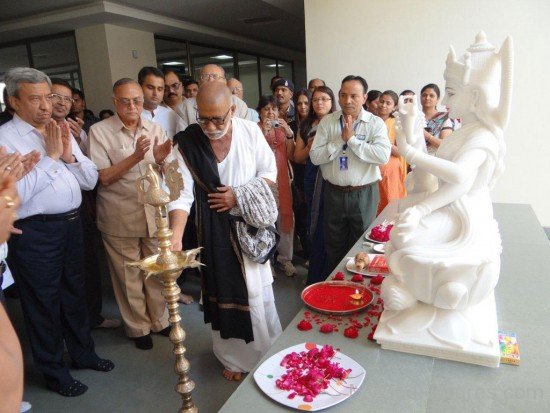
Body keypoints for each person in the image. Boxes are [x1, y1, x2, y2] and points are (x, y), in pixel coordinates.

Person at [0, 67, 113, 397]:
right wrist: (51, 158)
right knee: (43, 303)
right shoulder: (5, 140)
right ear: (13, 101)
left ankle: (83, 353)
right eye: (34, 98)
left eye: (48, 97)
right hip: (35, 232)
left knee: (74, 293)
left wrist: (67, 156)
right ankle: (53, 371)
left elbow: (90, 179)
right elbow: (16, 196)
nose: (45, 106)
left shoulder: (57, 129)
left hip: (72, 224)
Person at [168, 82, 282, 381]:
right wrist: (176, 235)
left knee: (257, 290)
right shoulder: (187, 143)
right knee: (224, 289)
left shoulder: (249, 131)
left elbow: (269, 173)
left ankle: (268, 348)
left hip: (249, 225)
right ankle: (234, 358)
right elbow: (180, 194)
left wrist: (238, 196)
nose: (210, 126)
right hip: (213, 229)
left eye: (218, 118)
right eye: (203, 118)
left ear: (232, 110)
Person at [88, 78, 172, 350]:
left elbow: (165, 173)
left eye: (137, 100)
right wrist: (136, 156)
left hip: (153, 214)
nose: (133, 106)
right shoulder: (100, 132)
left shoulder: (155, 128)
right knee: (129, 276)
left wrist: (159, 160)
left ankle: (160, 320)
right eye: (126, 101)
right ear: (115, 102)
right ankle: (138, 328)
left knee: (157, 270)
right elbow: (104, 177)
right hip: (119, 214)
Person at [50, 78, 120, 330]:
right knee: (54, 283)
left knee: (86, 269)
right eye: (55, 96)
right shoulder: (12, 135)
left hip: (78, 211)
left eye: (67, 98)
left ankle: (90, 319)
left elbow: (90, 179)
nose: (62, 103)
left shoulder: (69, 131)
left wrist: (72, 151)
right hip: (41, 223)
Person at [309, 75, 391, 273]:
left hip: (364, 194)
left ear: (364, 98)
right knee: (334, 246)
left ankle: (360, 291)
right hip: (333, 193)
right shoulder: (328, 122)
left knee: (363, 245)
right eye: (343, 95)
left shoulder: (375, 123)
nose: (347, 101)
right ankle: (337, 289)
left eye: (354, 96)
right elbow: (315, 157)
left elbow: (382, 156)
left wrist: (353, 141)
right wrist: (339, 141)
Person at [293, 86, 336, 284]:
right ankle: (316, 275)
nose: (319, 103)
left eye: (324, 99)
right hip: (312, 176)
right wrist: (311, 147)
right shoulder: (306, 125)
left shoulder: (339, 122)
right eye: (316, 99)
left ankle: (331, 273)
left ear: (331, 101)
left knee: (332, 225)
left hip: (333, 178)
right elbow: (297, 157)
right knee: (314, 223)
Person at [257, 95, 296, 277]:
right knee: (265, 221)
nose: (271, 112)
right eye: (266, 109)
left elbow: (291, 154)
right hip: (264, 183)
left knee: (286, 218)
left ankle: (285, 259)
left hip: (282, 180)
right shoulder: (254, 130)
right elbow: (254, 155)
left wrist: (288, 133)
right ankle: (268, 261)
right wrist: (263, 133)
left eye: (273, 109)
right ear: (259, 113)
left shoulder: (282, 129)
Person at [179, 64, 249, 128]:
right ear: (199, 82)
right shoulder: (185, 107)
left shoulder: (239, 104)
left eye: (215, 76)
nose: (210, 80)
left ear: (225, 82)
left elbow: (246, 132)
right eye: (205, 77)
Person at [289, 88, 311, 262]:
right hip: (299, 174)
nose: (303, 107)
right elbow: (296, 157)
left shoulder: (323, 123)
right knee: (302, 214)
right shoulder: (293, 126)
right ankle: (307, 252)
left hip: (318, 174)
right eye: (299, 103)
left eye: (306, 103)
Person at [376, 90, 406, 215]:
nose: (383, 105)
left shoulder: (397, 124)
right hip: (372, 168)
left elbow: (401, 152)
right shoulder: (371, 121)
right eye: (381, 101)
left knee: (390, 201)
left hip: (390, 170)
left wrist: (385, 143)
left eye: (388, 103)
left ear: (394, 107)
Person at [138, 66, 184, 140]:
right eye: (150, 87)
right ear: (139, 87)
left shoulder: (172, 116)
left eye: (160, 89)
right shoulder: (131, 116)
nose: (155, 93)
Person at [420, 83, 455, 154]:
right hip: (411, 158)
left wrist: (426, 135)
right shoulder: (415, 117)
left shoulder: (444, 118)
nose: (427, 98)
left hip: (435, 160)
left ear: (437, 99)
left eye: (431, 96)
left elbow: (445, 145)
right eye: (424, 95)